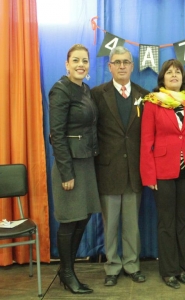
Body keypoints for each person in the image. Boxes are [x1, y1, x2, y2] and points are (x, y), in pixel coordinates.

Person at [140, 59, 185, 289]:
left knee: (181, 221)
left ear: (183, 77)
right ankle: (168, 271)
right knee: (166, 222)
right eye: (169, 72)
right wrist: (149, 176)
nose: (173, 75)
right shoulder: (153, 103)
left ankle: (182, 268)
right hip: (162, 171)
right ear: (162, 78)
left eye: (177, 72)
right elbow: (146, 142)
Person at [91, 46, 148, 286]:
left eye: (126, 62)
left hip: (135, 170)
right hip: (108, 169)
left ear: (132, 66)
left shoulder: (145, 95)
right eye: (118, 62)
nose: (122, 65)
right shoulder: (97, 94)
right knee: (111, 223)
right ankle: (112, 267)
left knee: (132, 224)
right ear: (110, 66)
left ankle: (132, 265)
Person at [49, 44, 100, 294]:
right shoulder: (60, 90)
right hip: (69, 165)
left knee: (84, 217)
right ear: (67, 64)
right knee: (70, 221)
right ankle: (67, 272)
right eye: (76, 60)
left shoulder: (86, 90)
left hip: (87, 162)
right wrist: (66, 172)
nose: (81, 64)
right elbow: (56, 135)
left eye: (85, 61)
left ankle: (66, 269)